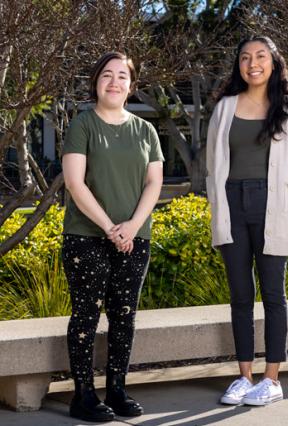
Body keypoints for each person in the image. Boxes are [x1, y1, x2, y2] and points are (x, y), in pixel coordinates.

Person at [206, 36, 288, 406]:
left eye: (261, 56)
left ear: (274, 62)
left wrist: (284, 197)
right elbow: (213, 162)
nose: (253, 63)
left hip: (272, 204)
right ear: (239, 65)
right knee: (240, 295)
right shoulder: (225, 107)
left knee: (273, 294)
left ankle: (271, 380)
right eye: (245, 57)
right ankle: (243, 377)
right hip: (231, 203)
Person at [62, 51, 164, 422]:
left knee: (124, 316)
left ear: (131, 85)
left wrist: (133, 226)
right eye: (107, 75)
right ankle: (83, 395)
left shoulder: (146, 130)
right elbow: (75, 183)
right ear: (96, 82)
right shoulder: (83, 125)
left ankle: (117, 389)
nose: (115, 82)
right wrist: (110, 228)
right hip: (86, 237)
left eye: (122, 76)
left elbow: (154, 182)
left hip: (135, 238)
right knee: (86, 316)